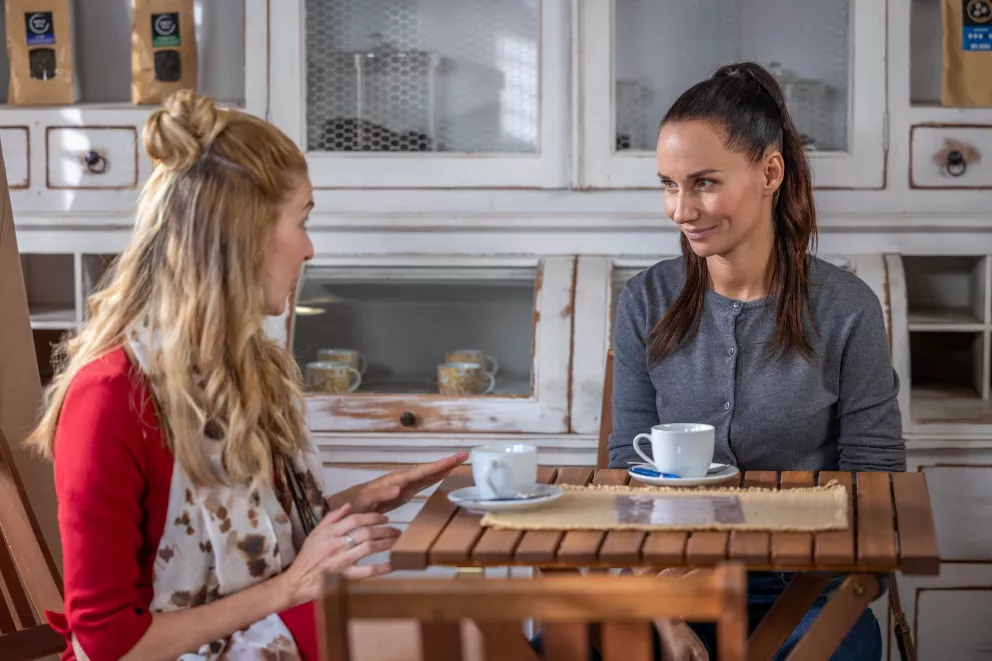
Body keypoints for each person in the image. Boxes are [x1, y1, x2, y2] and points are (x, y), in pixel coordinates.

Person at [27, 90, 467, 661]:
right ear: (243, 233)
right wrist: (291, 586)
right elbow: (108, 643)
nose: (308, 249)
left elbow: (240, 547)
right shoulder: (111, 395)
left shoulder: (243, 369)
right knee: (433, 626)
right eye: (301, 220)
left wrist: (356, 502)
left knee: (446, 605)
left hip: (246, 636)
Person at [609, 62, 905, 660]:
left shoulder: (847, 309)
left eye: (704, 183)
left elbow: (874, 483)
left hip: (807, 586)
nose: (680, 209)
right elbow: (627, 468)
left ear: (770, 172)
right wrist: (661, 611)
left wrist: (748, 558)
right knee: (553, 640)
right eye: (668, 183)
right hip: (673, 576)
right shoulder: (644, 301)